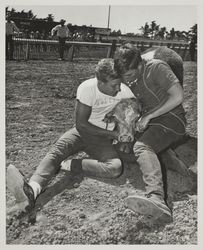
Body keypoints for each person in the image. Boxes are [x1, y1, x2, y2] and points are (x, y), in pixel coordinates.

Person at [7, 58, 135, 213]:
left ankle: (70, 165)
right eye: (114, 85)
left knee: (115, 168)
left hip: (102, 140)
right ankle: (32, 191)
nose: (119, 88)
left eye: (119, 84)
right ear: (100, 82)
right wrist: (113, 134)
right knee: (57, 152)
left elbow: (134, 112)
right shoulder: (87, 88)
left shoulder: (125, 90)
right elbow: (81, 124)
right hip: (82, 132)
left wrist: (125, 131)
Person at [114, 43, 186, 222]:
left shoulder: (156, 67)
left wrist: (149, 116)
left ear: (140, 64)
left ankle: (157, 199)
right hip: (152, 121)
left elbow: (178, 96)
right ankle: (168, 157)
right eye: (124, 77)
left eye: (130, 75)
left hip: (171, 119)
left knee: (142, 147)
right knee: (126, 144)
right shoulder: (130, 76)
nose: (127, 81)